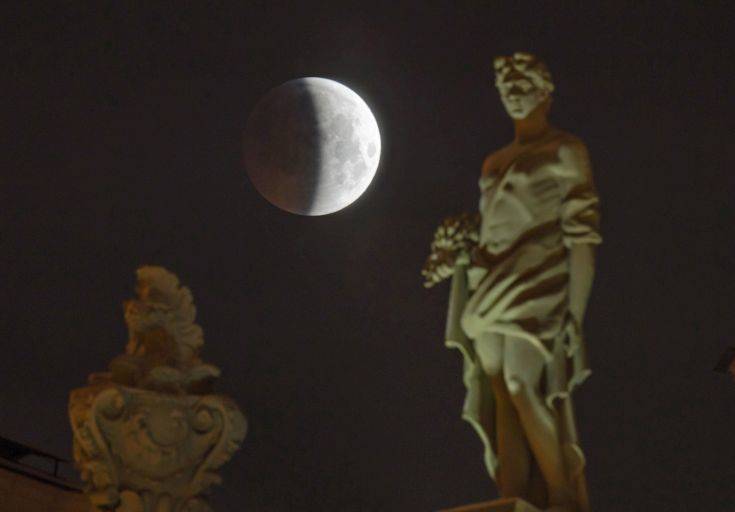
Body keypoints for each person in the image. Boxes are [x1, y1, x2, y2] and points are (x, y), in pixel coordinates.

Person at [423, 52, 601, 511]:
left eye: (522, 85)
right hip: (491, 282)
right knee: (500, 391)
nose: (513, 94)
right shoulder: (494, 161)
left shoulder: (566, 150)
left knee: (523, 384)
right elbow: (488, 229)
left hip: (538, 281)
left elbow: (582, 236)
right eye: (506, 88)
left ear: (545, 90)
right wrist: (456, 254)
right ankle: (513, 494)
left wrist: (575, 313)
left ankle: (562, 493)